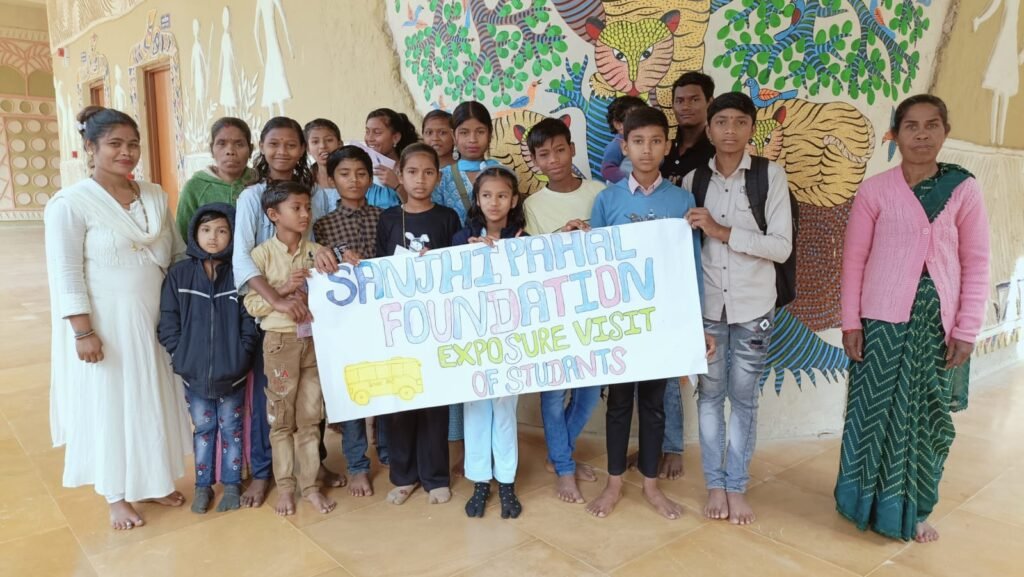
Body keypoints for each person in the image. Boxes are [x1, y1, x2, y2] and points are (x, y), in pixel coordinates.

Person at [836, 94, 990, 543]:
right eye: (911, 126)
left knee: (926, 419)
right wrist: (851, 322)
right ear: (896, 134)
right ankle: (861, 503)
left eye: (931, 125)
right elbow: (854, 259)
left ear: (945, 131)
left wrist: (966, 328)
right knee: (870, 416)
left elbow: (977, 261)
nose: (922, 135)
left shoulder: (962, 189)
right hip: (880, 325)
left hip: (936, 328)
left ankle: (915, 509)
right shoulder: (875, 190)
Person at [45, 106, 191, 530]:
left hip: (154, 317)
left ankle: (154, 481)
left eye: (133, 144)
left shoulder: (153, 195)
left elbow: (176, 253)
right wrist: (83, 332)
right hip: (106, 323)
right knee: (113, 403)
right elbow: (66, 272)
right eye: (115, 144)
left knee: (152, 399)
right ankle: (116, 494)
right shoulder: (71, 204)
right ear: (90, 147)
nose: (126, 152)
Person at [586, 106, 711, 520]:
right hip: (621, 322)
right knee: (619, 403)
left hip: (662, 323)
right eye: (638, 141)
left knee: (655, 403)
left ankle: (652, 487)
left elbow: (691, 264)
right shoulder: (607, 200)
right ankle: (614, 483)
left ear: (667, 146)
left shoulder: (681, 200)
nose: (646, 149)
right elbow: (594, 265)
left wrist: (695, 324)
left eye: (656, 141)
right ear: (624, 146)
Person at [682, 92, 793, 526]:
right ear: (709, 130)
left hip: (754, 307)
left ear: (752, 128)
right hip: (708, 308)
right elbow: (682, 250)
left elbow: (781, 248)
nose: (730, 130)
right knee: (709, 396)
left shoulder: (770, 176)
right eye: (722, 122)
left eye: (740, 122)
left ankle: (736, 487)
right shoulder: (692, 181)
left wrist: (721, 231)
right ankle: (715, 483)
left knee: (743, 399)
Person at [232, 116, 340, 508]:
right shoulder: (252, 199)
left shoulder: (317, 198)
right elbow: (242, 262)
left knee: (311, 412)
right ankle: (275, 479)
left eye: (292, 144)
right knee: (278, 412)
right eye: (274, 144)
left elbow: (328, 245)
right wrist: (278, 296)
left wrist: (337, 258)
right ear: (261, 147)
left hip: (312, 329)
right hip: (275, 328)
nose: (283, 152)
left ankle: (311, 479)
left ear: (303, 149)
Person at [521, 117, 603, 504]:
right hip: (553, 311)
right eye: (543, 154)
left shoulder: (600, 193)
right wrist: (561, 237)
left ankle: (559, 454)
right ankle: (565, 467)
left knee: (589, 392)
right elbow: (532, 257)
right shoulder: (532, 204)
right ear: (535, 160)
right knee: (553, 396)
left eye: (559, 150)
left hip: (595, 308)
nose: (553, 160)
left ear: (572, 149)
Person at [158, 203, 259, 514]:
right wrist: (180, 354)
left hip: (233, 373)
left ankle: (232, 484)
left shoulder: (239, 275)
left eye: (222, 230)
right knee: (203, 429)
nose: (213, 237)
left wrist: (242, 353)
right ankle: (203, 486)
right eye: (206, 230)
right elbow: (168, 320)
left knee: (231, 428)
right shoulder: (179, 275)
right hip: (195, 373)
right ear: (194, 233)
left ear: (232, 235)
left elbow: (249, 319)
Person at [377, 143, 461, 506]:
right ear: (400, 174)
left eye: (428, 173)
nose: (420, 180)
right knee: (401, 403)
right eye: (412, 172)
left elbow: (457, 267)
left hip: (436, 324)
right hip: (398, 325)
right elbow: (378, 270)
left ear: (438, 178)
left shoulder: (447, 218)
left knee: (434, 403)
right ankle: (403, 476)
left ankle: (436, 476)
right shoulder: (388, 219)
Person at [433, 100, 503, 473]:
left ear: (490, 134)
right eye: (464, 132)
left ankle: (495, 445)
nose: (472, 139)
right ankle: (457, 445)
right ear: (454, 136)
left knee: (494, 363)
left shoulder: (502, 172)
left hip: (496, 284)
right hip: (457, 281)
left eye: (479, 131)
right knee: (459, 365)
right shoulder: (442, 177)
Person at [454, 167, 528, 520]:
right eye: (486, 195)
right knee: (476, 409)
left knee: (505, 410)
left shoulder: (525, 239)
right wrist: (464, 256)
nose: (494, 202)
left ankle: (507, 481)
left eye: (502, 195)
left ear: (513, 200)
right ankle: (480, 480)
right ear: (477, 200)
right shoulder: (461, 239)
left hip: (510, 337)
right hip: (474, 337)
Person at [310, 145, 383, 497]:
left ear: (370, 178)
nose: (353, 180)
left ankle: (389, 451)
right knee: (352, 391)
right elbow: (315, 267)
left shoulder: (387, 216)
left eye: (361, 173)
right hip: (344, 323)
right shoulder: (321, 226)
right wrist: (336, 257)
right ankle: (357, 465)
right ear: (331, 179)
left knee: (387, 383)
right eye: (344, 173)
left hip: (383, 317)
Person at [175, 117, 256, 242]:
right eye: (222, 144)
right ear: (212, 149)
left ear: (250, 150)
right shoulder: (195, 188)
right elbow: (182, 238)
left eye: (239, 144)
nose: (230, 151)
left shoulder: (260, 183)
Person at [306, 118, 399, 212]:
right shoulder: (304, 182)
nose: (322, 146)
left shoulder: (364, 180)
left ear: (340, 144)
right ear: (307, 148)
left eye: (329, 140)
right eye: (315, 142)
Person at [662, 72, 716, 186]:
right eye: (679, 101)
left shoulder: (717, 153)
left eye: (694, 100)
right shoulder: (661, 148)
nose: (685, 107)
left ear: (710, 103)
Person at [364, 108, 419, 202]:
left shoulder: (411, 170)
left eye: (377, 132)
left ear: (395, 138)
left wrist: (397, 186)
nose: (369, 138)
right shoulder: (365, 168)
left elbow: (419, 206)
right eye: (367, 131)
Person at [599, 95, 647, 183]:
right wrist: (629, 181)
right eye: (635, 119)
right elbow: (607, 170)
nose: (642, 124)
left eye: (644, 119)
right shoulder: (616, 145)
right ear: (618, 125)